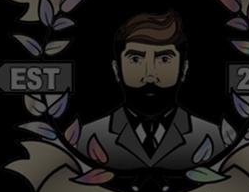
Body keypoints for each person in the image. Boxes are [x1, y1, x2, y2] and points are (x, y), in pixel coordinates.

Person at [76, 10, 225, 181]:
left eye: (164, 59)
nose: (150, 76)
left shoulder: (211, 137)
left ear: (183, 69)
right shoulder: (89, 137)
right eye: (135, 59)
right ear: (117, 69)